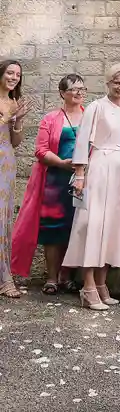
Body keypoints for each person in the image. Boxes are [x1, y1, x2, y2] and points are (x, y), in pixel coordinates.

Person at [62, 65, 120, 311]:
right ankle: (88, 286)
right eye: (117, 83)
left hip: (118, 172)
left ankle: (103, 284)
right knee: (93, 225)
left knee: (113, 226)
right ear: (108, 83)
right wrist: (80, 175)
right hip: (99, 169)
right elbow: (82, 142)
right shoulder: (96, 107)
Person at [11, 73, 85, 293]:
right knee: (53, 230)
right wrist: (62, 163)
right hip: (55, 181)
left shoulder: (90, 116)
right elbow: (41, 151)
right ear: (62, 93)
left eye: (82, 88)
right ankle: (51, 277)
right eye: (74, 89)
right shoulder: (51, 119)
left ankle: (66, 275)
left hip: (82, 181)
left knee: (75, 228)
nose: (79, 93)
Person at [0, 59, 31, 296]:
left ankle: (4, 276)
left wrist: (18, 120)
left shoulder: (13, 102)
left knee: (4, 218)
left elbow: (16, 142)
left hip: (6, 163)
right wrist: (5, 116)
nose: (14, 77)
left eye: (18, 74)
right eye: (10, 73)